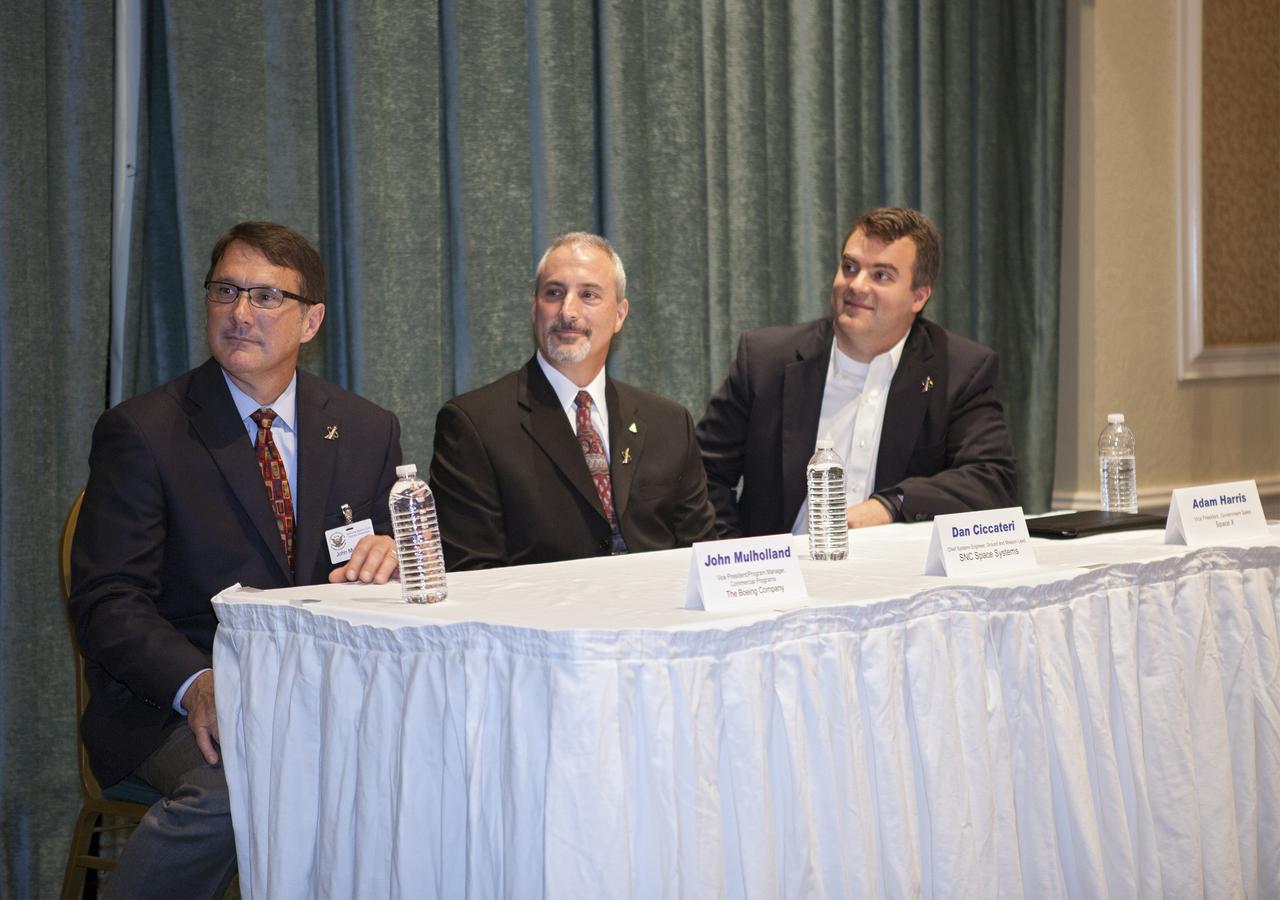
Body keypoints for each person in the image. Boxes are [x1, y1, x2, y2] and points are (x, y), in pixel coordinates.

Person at [69, 221, 403, 898]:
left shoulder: (367, 430)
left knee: (436, 765)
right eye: (226, 291)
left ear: (312, 320)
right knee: (249, 791)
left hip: (324, 696)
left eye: (265, 297)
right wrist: (196, 683)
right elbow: (109, 601)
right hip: (175, 700)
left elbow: (395, 564)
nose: (240, 313)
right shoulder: (144, 431)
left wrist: (395, 553)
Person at [696, 207, 1017, 538]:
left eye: (881, 275)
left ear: (918, 296)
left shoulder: (959, 371)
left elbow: (991, 479)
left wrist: (892, 504)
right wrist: (739, 558)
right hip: (782, 577)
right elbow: (702, 474)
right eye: (849, 268)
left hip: (896, 578)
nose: (856, 286)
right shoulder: (767, 361)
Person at [429, 231, 716, 569]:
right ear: (535, 307)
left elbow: (702, 558)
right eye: (554, 293)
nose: (568, 311)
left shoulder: (669, 423)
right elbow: (473, 573)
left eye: (588, 295)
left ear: (620, 314)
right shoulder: (474, 424)